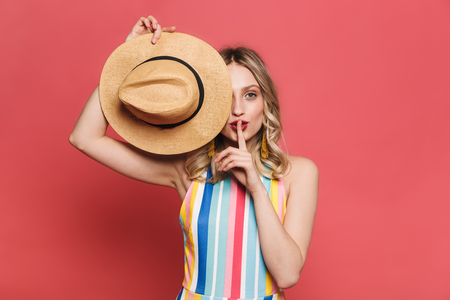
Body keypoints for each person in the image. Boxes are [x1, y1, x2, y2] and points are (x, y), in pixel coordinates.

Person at [70, 15, 318, 300]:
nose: (238, 109)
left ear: (266, 103)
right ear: (211, 104)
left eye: (250, 95)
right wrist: (127, 61)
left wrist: (256, 189)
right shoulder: (188, 170)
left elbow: (287, 274)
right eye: (226, 97)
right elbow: (84, 138)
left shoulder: (298, 173)